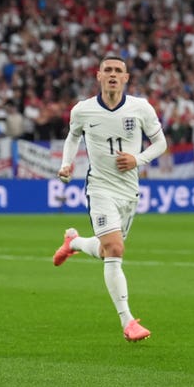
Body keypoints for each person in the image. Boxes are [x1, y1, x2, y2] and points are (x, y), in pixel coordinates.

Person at [53, 55, 167, 342]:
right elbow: (72, 137)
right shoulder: (83, 110)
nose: (113, 74)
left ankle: (74, 242)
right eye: (108, 70)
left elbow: (161, 143)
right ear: (99, 75)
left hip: (129, 191)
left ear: (126, 77)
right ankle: (128, 321)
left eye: (118, 71)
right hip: (100, 188)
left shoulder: (140, 107)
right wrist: (67, 164)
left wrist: (137, 159)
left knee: (107, 249)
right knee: (114, 250)